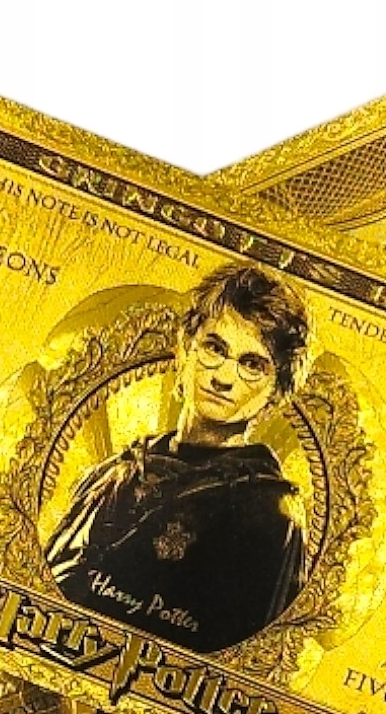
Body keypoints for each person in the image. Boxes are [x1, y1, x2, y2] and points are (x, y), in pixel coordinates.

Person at [45, 264, 311, 655]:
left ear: (276, 391)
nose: (223, 378)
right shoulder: (114, 473)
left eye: (252, 364)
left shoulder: (270, 514)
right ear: (185, 349)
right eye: (215, 348)